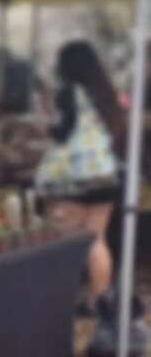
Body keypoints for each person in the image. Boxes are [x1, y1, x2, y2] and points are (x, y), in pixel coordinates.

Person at [35, 40, 125, 314]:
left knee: (61, 243)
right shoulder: (103, 93)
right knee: (96, 240)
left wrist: (44, 121)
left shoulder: (68, 92)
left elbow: (63, 133)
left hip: (71, 182)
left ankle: (59, 305)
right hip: (104, 178)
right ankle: (97, 301)